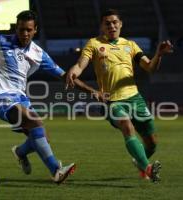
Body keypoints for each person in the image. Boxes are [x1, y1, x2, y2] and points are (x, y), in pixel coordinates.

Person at [0, 10, 101, 184]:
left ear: (35, 30)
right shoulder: (0, 41)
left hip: (20, 98)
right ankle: (56, 171)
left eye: (28, 30)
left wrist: (91, 91)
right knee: (35, 121)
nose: (24, 34)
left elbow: (65, 76)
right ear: (16, 28)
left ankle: (20, 152)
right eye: (21, 29)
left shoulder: (38, 54)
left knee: (41, 138)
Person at [66, 9, 173, 182]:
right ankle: (148, 168)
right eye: (107, 23)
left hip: (134, 98)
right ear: (102, 26)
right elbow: (80, 64)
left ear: (120, 24)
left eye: (114, 22)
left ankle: (140, 161)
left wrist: (158, 54)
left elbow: (150, 68)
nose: (111, 25)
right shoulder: (94, 44)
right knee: (125, 124)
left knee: (152, 143)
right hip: (112, 100)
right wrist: (74, 72)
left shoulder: (130, 45)